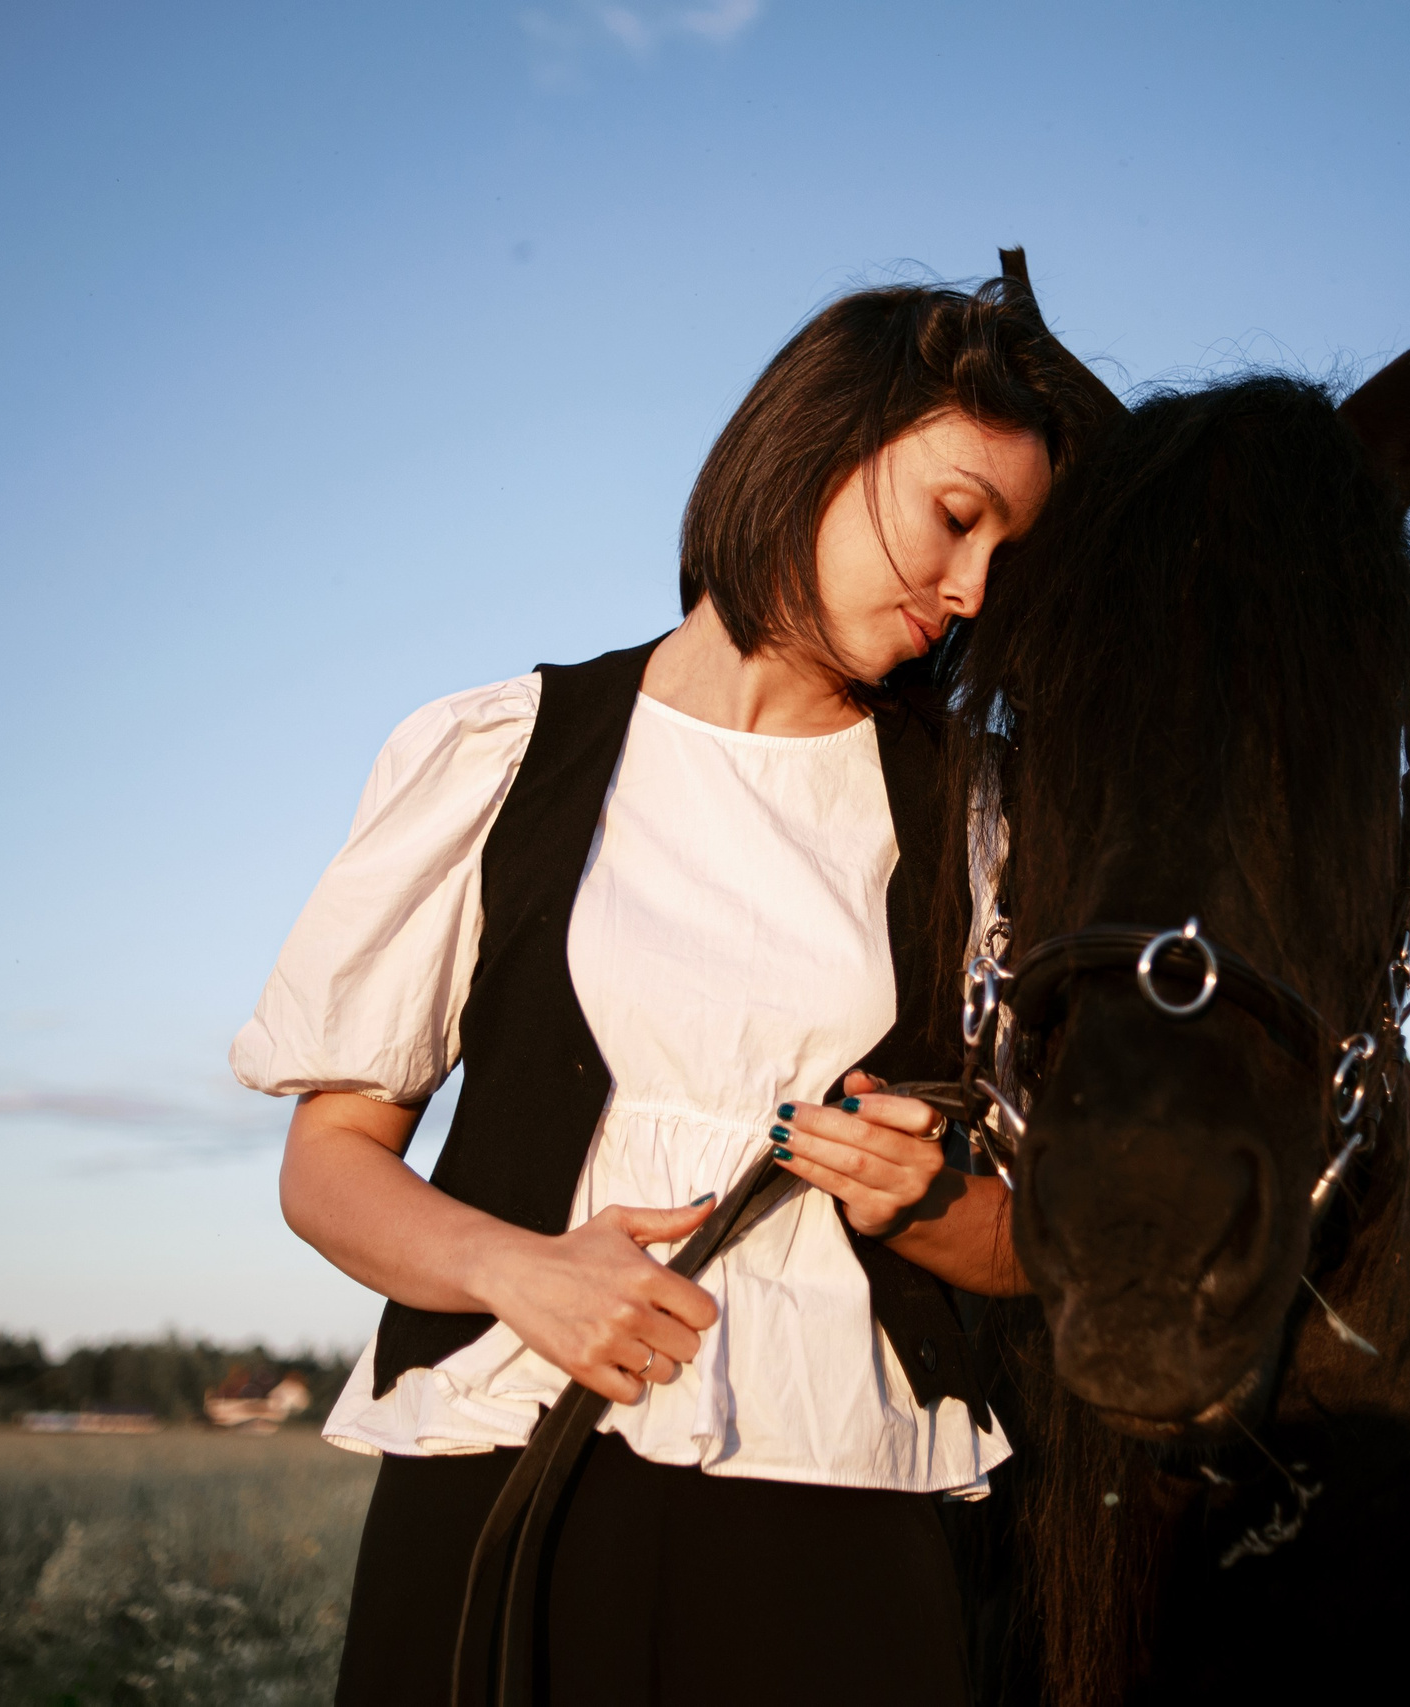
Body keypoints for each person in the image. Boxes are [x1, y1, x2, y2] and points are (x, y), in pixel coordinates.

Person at [231, 255, 1117, 1706]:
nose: (967, 592)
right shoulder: (502, 753)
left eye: (1002, 565)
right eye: (956, 519)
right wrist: (516, 1271)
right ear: (827, 439)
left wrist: (936, 1203)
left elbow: (1045, 1252)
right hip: (503, 1472)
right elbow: (327, 1169)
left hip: (840, 1500)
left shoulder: (983, 820)